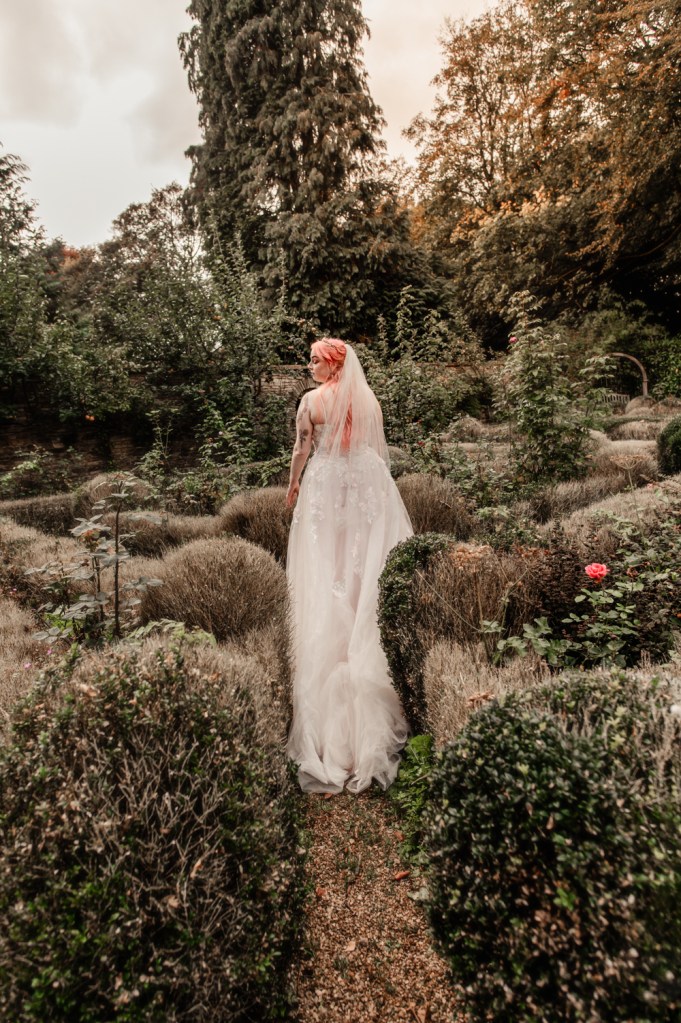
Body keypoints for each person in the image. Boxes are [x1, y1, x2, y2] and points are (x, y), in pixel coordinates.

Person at [285, 337, 413, 794]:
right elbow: (376, 447)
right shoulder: (367, 398)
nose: (310, 365)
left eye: (315, 359)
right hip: (366, 484)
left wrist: (294, 485)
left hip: (325, 486)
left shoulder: (310, 402)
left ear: (333, 362)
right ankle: (366, 666)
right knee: (364, 570)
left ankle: (332, 680)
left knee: (326, 572)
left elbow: (302, 449)